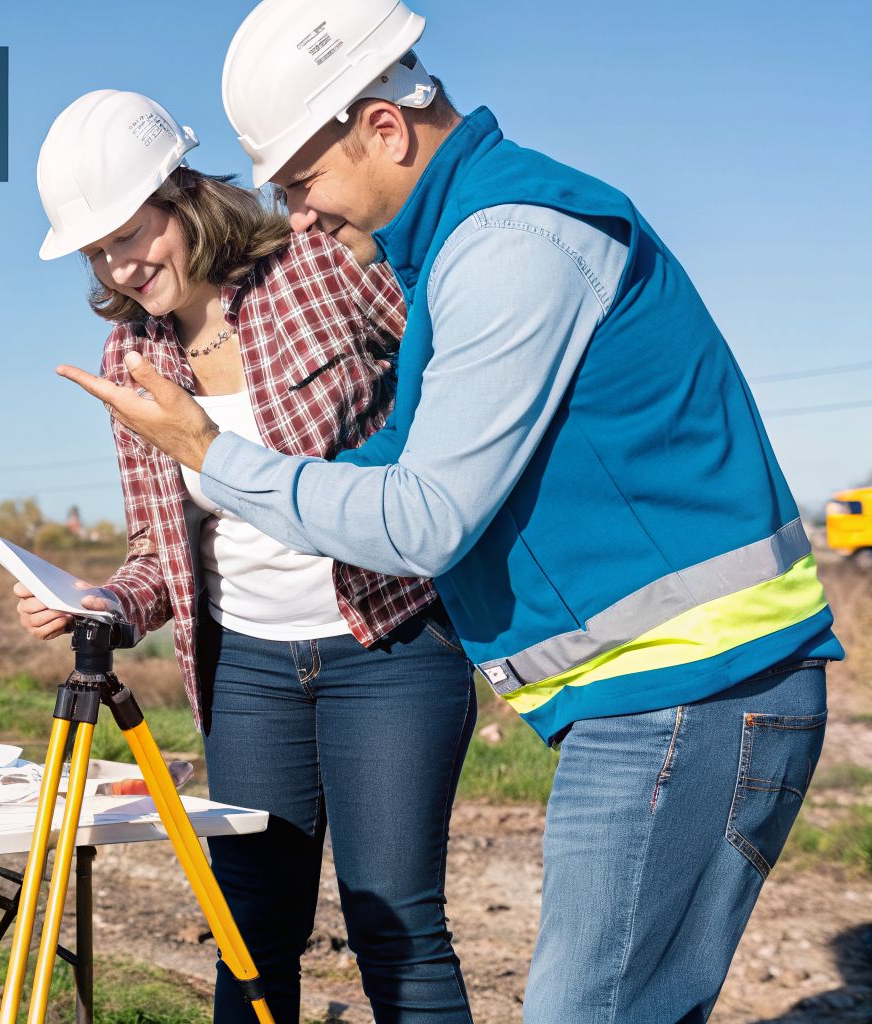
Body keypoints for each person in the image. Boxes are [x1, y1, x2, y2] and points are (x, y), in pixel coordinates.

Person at [60, 3, 840, 1021]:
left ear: (383, 129)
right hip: (652, 694)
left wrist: (214, 454)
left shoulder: (504, 245)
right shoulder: (460, 247)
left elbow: (425, 513)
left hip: (689, 690)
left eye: (300, 182)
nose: (295, 214)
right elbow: (396, 454)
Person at [21, 88, 477, 1023]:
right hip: (248, 672)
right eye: (98, 251)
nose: (120, 263)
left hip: (386, 644)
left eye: (131, 232)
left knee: (395, 924)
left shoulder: (318, 265)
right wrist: (103, 601)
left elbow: (455, 363)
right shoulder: (128, 357)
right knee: (250, 932)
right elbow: (161, 547)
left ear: (183, 196)